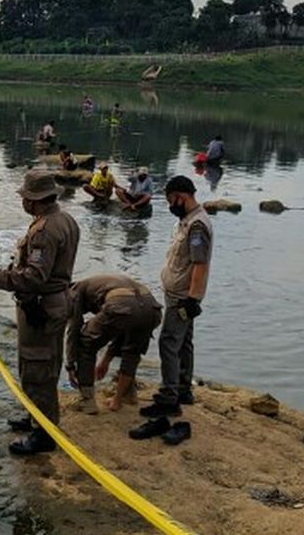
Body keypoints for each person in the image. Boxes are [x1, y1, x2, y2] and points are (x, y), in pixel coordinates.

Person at [0, 170, 80, 456]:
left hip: (42, 306)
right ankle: (36, 416)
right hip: (54, 302)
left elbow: (35, 277)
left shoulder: (45, 230)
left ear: (34, 200)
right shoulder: (66, 219)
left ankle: (43, 435)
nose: (22, 202)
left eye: (25, 197)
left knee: (37, 369)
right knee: (46, 364)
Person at [130, 175, 213, 446]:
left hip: (182, 298)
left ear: (182, 196)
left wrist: (192, 299)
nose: (171, 206)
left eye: (171, 200)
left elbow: (199, 265)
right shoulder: (187, 221)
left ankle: (168, 402)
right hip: (178, 294)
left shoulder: (197, 226)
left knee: (169, 343)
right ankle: (183, 390)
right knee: (184, 343)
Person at [65, 274, 162, 415]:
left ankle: (87, 401)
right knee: (132, 351)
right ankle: (126, 395)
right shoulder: (98, 283)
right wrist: (106, 360)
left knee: (85, 341)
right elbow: (122, 326)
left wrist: (70, 365)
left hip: (123, 305)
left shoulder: (73, 292)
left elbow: (74, 330)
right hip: (152, 309)